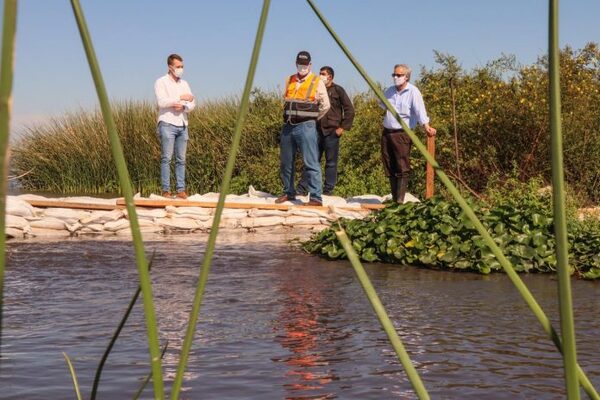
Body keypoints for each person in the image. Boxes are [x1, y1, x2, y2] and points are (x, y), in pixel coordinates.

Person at [276, 51, 330, 206]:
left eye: (305, 64)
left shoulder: (316, 81)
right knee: (286, 162)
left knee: (311, 162)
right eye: (300, 63)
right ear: (296, 63)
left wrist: (312, 118)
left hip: (306, 126)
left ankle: (315, 198)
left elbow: (325, 106)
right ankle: (288, 192)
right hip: (288, 126)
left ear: (310, 65)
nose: (303, 67)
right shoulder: (289, 80)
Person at [380, 64, 436, 203]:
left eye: (399, 75)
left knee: (401, 165)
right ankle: (394, 199)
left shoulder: (413, 91)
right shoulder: (390, 91)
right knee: (389, 164)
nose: (396, 78)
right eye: (394, 75)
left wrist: (426, 126)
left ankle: (400, 199)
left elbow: (420, 111)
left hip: (402, 134)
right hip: (387, 132)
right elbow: (382, 105)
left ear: (406, 77)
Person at [297, 66, 355, 196]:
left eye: (323, 74)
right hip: (316, 130)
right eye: (319, 73)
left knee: (331, 162)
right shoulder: (316, 90)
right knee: (311, 160)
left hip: (332, 132)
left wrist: (342, 128)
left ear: (330, 77)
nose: (320, 75)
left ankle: (328, 190)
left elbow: (350, 110)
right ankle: (302, 189)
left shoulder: (338, 90)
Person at [154, 53, 196, 199]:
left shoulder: (185, 84)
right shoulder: (161, 82)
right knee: (166, 158)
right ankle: (166, 190)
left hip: (182, 124)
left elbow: (192, 103)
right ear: (170, 67)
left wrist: (184, 107)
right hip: (167, 123)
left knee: (181, 159)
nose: (180, 69)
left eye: (182, 66)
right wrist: (180, 98)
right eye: (178, 66)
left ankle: (181, 190)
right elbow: (162, 102)